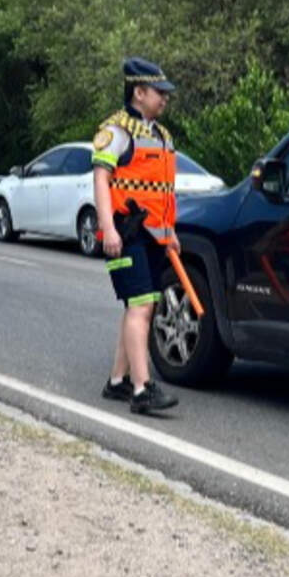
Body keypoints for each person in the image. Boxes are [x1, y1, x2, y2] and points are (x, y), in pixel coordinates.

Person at [95, 57, 181, 415]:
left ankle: (118, 382)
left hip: (154, 237)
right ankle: (142, 390)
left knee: (138, 306)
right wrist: (109, 229)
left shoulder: (161, 135)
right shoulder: (117, 131)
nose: (164, 98)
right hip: (127, 232)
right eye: (159, 92)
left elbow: (163, 190)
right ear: (139, 91)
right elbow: (101, 179)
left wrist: (171, 232)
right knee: (142, 306)